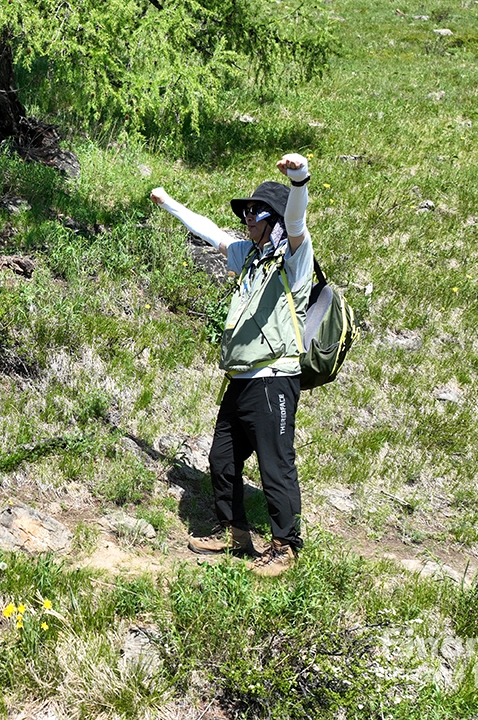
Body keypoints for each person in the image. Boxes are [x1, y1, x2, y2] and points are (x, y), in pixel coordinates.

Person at [150, 153, 314, 578]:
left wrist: (299, 180)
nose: (246, 219)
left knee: (276, 463)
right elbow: (208, 230)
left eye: (255, 213)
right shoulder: (250, 255)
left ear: (273, 219)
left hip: (275, 375)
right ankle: (234, 533)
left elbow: (296, 222)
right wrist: (168, 202)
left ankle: (285, 545)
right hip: (241, 377)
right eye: (244, 212)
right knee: (222, 457)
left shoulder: (293, 259)